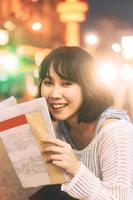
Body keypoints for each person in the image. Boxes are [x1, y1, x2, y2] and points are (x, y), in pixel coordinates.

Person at [37, 46, 133, 200]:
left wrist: (75, 168)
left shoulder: (115, 131)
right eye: (48, 82)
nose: (54, 94)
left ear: (88, 87)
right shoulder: (57, 128)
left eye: (66, 83)